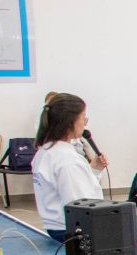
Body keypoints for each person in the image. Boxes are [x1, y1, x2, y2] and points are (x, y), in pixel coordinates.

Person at [32, 93, 107, 241]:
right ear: (70, 121)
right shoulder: (66, 159)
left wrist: (94, 169)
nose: (85, 123)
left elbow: (70, 187)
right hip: (72, 231)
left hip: (55, 228)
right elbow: (80, 204)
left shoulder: (46, 151)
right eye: (83, 118)